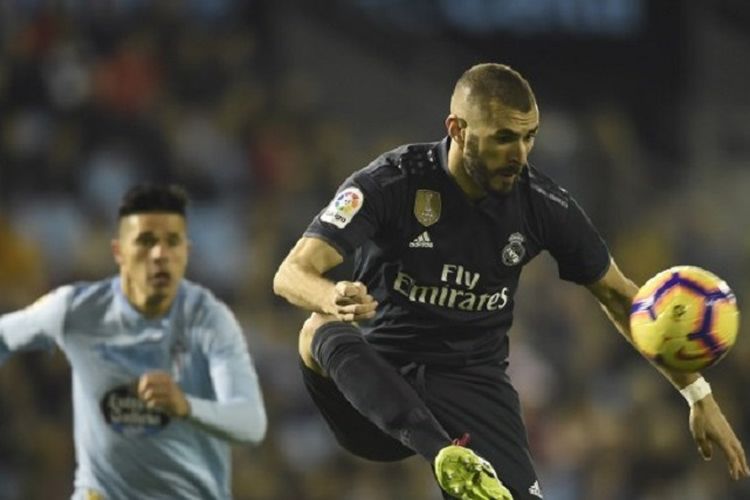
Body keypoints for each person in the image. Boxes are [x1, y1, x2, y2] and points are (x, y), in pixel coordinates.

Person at [273, 63, 749, 500]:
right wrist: (331, 295)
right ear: (457, 130)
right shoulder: (390, 183)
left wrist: (698, 394)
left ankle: (454, 457)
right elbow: (291, 273)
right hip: (375, 387)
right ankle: (444, 455)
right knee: (317, 329)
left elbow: (623, 297)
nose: (519, 154)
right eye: (503, 138)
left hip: (470, 386)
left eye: (529, 137)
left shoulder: (542, 204)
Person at [0, 184, 267, 500]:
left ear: (186, 252)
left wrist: (186, 406)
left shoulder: (209, 320)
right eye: (146, 241)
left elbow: (251, 424)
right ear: (119, 251)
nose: (160, 255)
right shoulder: (76, 309)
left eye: (172, 242)